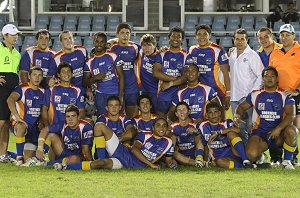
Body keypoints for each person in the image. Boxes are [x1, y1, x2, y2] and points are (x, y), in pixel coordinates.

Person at [235, 66, 298, 169]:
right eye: (266, 76)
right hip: (261, 133)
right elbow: (241, 107)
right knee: (250, 154)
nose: (269, 78)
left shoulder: (285, 95)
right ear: (262, 79)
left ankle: (287, 161)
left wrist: (278, 129)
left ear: (277, 79)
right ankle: (261, 157)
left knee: (292, 130)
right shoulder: (255, 95)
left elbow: (291, 115)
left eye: (272, 76)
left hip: (279, 134)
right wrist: (236, 115)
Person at [54, 117, 176, 170]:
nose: (161, 128)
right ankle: (101, 157)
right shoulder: (144, 134)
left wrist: (172, 164)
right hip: (124, 153)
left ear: (167, 129)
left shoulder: (169, 142)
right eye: (158, 125)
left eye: (164, 126)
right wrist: (151, 165)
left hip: (127, 164)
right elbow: (135, 150)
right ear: (153, 127)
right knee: (100, 126)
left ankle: (65, 167)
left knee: (98, 165)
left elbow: (169, 159)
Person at [269, 23, 300, 166]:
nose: (285, 38)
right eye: (282, 35)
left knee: (293, 126)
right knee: (276, 124)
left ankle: (292, 157)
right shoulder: (275, 52)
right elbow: (271, 74)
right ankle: (276, 157)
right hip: (278, 95)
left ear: (293, 36)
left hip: (295, 95)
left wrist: (297, 90)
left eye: (288, 35)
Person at [228, 28, 264, 143]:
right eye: (237, 39)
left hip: (246, 97)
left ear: (247, 40)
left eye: (242, 39)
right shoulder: (232, 54)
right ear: (234, 40)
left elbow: (261, 75)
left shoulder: (252, 55)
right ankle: (243, 155)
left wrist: (253, 93)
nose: (239, 41)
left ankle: (253, 155)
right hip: (234, 97)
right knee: (239, 127)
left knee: (248, 127)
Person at [188, 24, 231, 114]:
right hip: (200, 92)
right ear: (195, 36)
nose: (202, 36)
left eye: (205, 34)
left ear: (209, 36)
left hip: (217, 90)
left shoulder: (218, 50)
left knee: (220, 118)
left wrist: (228, 94)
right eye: (199, 34)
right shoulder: (192, 50)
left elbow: (226, 73)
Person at [198, 102, 255, 169]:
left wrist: (219, 132)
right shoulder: (203, 126)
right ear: (206, 115)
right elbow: (205, 145)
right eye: (210, 113)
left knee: (231, 133)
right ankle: (246, 166)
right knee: (220, 162)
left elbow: (237, 130)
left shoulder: (227, 122)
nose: (213, 115)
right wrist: (206, 160)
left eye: (215, 112)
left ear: (219, 113)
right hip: (221, 158)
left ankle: (246, 161)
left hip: (234, 153)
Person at [6, 67, 44, 165]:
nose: (37, 77)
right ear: (29, 76)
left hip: (34, 128)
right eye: (34, 75)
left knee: (28, 158)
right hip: (20, 125)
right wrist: (18, 118)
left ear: (42, 78)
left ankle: (7, 153)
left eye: (39, 75)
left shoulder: (43, 91)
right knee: (21, 126)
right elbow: (10, 100)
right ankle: (19, 159)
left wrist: (41, 121)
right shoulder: (21, 89)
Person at [256, 27, 283, 165]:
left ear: (272, 36)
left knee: (280, 124)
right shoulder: (257, 53)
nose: (264, 40)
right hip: (264, 92)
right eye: (260, 38)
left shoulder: (282, 49)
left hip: (280, 92)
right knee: (266, 122)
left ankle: (279, 157)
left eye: (266, 37)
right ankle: (265, 155)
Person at [83, 32, 124, 115]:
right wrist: (95, 78)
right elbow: (85, 82)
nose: (99, 44)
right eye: (97, 41)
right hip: (100, 95)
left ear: (105, 43)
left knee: (116, 119)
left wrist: (120, 95)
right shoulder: (89, 62)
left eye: (102, 42)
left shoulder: (113, 56)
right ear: (93, 42)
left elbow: (121, 77)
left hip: (115, 92)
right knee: (102, 118)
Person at [153, 26, 189, 119]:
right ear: (169, 38)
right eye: (173, 36)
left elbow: (186, 77)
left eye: (179, 36)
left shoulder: (186, 56)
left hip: (180, 92)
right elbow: (156, 73)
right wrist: (176, 79)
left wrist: (170, 83)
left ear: (182, 40)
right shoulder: (161, 54)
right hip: (163, 93)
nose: (176, 38)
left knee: (178, 119)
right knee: (161, 119)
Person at [109, 23, 141, 118]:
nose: (125, 35)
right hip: (117, 87)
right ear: (117, 34)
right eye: (122, 33)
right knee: (118, 116)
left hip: (132, 87)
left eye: (127, 33)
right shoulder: (112, 48)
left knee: (132, 116)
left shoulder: (135, 47)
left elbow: (150, 49)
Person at [0, 24, 21, 162]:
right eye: (13, 35)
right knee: (1, 122)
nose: (16, 37)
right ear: (4, 36)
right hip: (1, 89)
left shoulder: (17, 53)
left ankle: (2, 155)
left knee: (6, 123)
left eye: (16, 35)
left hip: (11, 89)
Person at [42, 62, 85, 126]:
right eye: (63, 72)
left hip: (70, 128)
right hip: (54, 127)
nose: (66, 73)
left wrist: (73, 126)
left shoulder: (78, 90)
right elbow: (44, 109)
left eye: (68, 71)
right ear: (58, 75)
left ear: (72, 74)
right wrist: (47, 126)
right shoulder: (51, 88)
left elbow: (81, 111)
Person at [171, 102, 207, 167]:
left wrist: (197, 131)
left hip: (196, 153)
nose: (182, 112)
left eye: (184, 109)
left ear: (189, 112)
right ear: (176, 114)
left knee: (199, 136)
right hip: (182, 156)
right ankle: (199, 163)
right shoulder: (173, 126)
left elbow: (206, 138)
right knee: (172, 139)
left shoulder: (196, 123)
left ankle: (199, 158)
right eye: (179, 110)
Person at [137, 34, 159, 113]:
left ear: (154, 46)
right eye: (144, 45)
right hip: (144, 90)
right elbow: (127, 42)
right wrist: (110, 41)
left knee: (156, 113)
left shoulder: (159, 56)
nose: (147, 48)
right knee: (144, 113)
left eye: (149, 45)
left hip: (155, 91)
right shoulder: (140, 53)